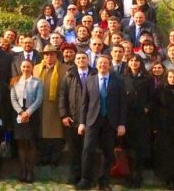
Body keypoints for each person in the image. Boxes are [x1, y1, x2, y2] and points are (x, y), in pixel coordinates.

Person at [76, 55, 127, 191]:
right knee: (88, 150)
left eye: (105, 63)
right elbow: (84, 103)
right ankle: (86, 179)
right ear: (96, 65)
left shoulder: (118, 81)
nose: (103, 65)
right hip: (92, 121)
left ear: (109, 65)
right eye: (100, 63)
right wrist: (82, 122)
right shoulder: (89, 80)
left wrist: (121, 123)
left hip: (110, 122)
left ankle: (104, 181)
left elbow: (122, 104)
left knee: (108, 152)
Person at [59, 50, 93, 185]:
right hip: (72, 118)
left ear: (88, 60)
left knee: (87, 150)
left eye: (83, 58)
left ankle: (87, 177)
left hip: (90, 119)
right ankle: (74, 176)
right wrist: (64, 115)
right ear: (75, 60)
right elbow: (62, 96)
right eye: (78, 59)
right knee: (74, 150)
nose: (81, 61)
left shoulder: (94, 74)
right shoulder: (69, 75)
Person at [33, 44, 67, 167]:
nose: (49, 56)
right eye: (46, 54)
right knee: (42, 133)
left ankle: (55, 159)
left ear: (56, 55)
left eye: (52, 54)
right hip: (39, 106)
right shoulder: (36, 68)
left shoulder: (65, 69)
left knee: (56, 135)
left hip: (57, 106)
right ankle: (43, 157)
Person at [10, 59, 43, 183]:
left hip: (32, 114)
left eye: (28, 67)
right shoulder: (15, 81)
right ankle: (23, 169)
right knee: (21, 143)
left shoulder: (38, 82)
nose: (25, 69)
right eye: (23, 66)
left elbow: (39, 99)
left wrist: (28, 112)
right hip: (18, 114)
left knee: (31, 143)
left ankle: (30, 170)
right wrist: (20, 112)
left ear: (32, 68)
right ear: (20, 67)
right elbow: (13, 99)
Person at [124, 54, 154, 188]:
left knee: (140, 148)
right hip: (127, 117)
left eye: (137, 60)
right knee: (128, 149)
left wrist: (147, 108)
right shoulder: (123, 78)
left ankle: (139, 176)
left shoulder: (148, 79)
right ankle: (130, 176)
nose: (134, 63)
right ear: (128, 63)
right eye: (132, 60)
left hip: (142, 118)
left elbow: (153, 98)